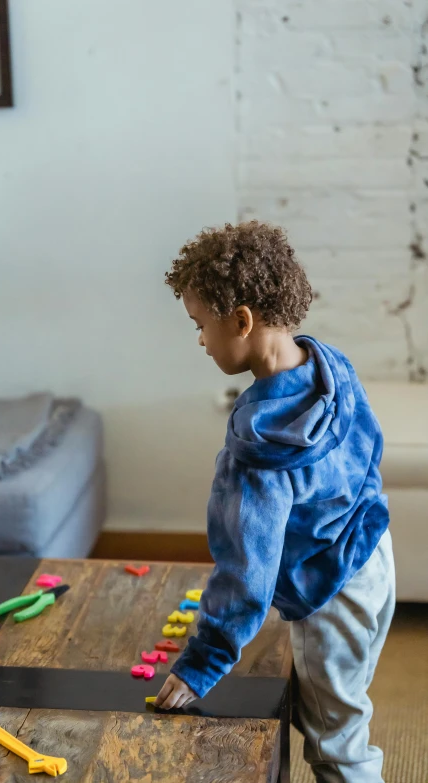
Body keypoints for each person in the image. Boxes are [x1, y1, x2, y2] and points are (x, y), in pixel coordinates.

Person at [155, 221, 395, 783]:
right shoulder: (329, 366)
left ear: (241, 320)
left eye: (200, 324)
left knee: (337, 743)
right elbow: (370, 449)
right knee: (347, 700)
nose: (199, 339)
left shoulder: (256, 447)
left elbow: (247, 572)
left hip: (328, 596)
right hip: (375, 555)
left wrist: (203, 663)